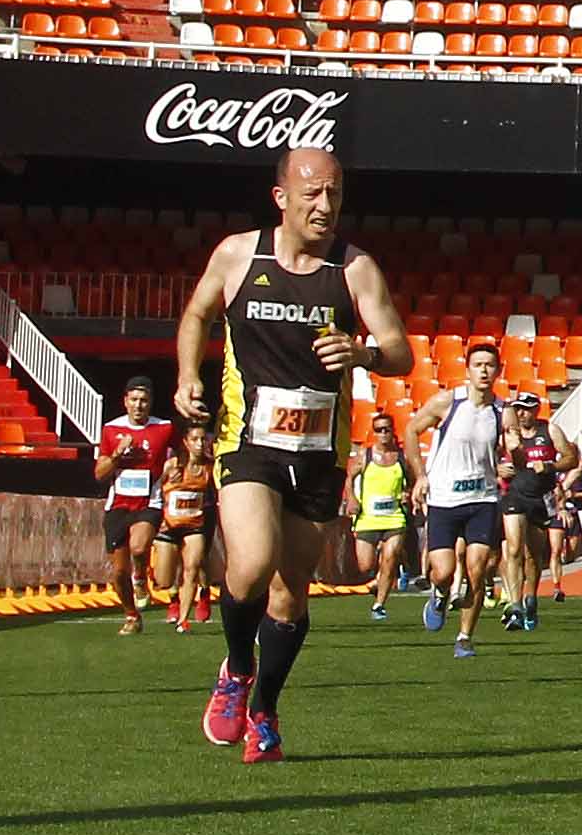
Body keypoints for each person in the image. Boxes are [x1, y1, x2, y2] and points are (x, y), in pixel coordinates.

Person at [172, 146, 412, 764]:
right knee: (252, 564)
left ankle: (265, 710)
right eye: (312, 194)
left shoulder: (355, 268)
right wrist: (187, 376)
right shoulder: (238, 255)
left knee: (290, 594)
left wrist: (362, 354)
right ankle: (236, 668)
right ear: (281, 198)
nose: (325, 206)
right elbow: (197, 314)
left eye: (334, 193)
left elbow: (399, 352)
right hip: (248, 441)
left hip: (318, 452)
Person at [413, 343, 511, 656]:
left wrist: (512, 458)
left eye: (489, 365)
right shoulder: (448, 402)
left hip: (483, 499)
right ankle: (440, 594)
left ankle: (465, 637)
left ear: (498, 371)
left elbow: (513, 450)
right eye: (478, 365)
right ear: (468, 370)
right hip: (444, 498)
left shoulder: (502, 410)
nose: (484, 371)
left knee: (477, 570)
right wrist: (420, 475)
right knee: (443, 571)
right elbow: (412, 430)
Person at [92, 379, 177, 635]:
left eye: (144, 400)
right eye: (134, 400)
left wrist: (175, 467)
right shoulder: (111, 429)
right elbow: (100, 474)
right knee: (119, 573)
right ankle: (132, 615)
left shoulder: (164, 428)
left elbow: (184, 450)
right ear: (125, 401)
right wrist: (117, 454)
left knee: (139, 548)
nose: (139, 405)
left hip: (149, 502)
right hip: (118, 505)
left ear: (150, 403)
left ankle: (140, 575)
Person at [343, 388, 415, 626]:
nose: (383, 434)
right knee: (365, 566)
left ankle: (379, 605)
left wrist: (408, 494)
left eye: (387, 429)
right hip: (368, 517)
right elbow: (349, 478)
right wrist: (352, 499)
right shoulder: (365, 456)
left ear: (393, 432)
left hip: (394, 517)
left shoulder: (401, 458)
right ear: (373, 433)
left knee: (389, 557)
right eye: (379, 430)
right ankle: (389, 573)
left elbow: (413, 480)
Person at [495, 391, 559, 634]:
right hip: (514, 495)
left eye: (527, 408)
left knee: (533, 554)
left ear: (536, 410)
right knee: (513, 549)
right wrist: (498, 468)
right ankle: (515, 605)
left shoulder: (549, 431)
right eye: (518, 409)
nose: (521, 413)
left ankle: (530, 599)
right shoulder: (506, 435)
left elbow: (571, 458)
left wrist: (550, 466)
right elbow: (485, 458)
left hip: (540, 498)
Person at [154, 412, 217, 635]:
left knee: (192, 568)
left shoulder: (210, 467)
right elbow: (154, 490)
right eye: (195, 440)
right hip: (169, 526)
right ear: (186, 442)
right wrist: (155, 517)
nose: (200, 444)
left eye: (203, 439)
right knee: (164, 579)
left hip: (194, 525)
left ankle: (183, 619)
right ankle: (172, 597)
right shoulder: (172, 466)